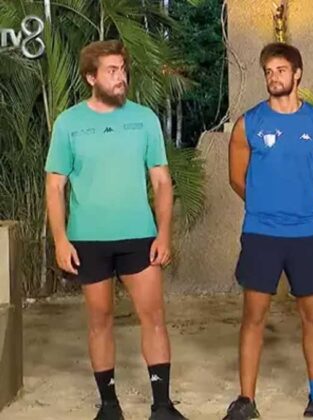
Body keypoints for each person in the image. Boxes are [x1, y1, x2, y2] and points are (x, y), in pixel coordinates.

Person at [45, 40, 187, 420]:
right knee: (100, 320)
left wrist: (164, 233)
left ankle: (162, 406)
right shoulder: (69, 123)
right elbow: (55, 186)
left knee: (153, 316)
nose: (121, 77)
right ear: (91, 77)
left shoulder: (144, 119)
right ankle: (109, 407)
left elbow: (162, 181)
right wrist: (60, 240)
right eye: (111, 70)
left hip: (138, 236)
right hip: (87, 239)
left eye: (123, 69)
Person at [223, 42, 313, 420]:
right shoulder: (249, 123)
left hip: (307, 234)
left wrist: (300, 202)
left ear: (297, 74)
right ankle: (246, 401)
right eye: (268, 71)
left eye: (280, 70)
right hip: (261, 233)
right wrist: (265, 203)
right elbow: (236, 178)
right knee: (254, 316)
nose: (273, 77)